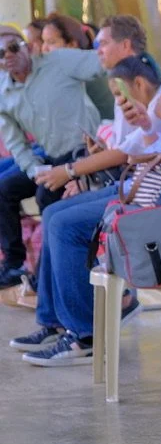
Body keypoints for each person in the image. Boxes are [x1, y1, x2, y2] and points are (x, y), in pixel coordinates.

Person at [9, 31, 161, 366]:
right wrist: (150, 127)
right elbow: (145, 148)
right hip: (142, 184)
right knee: (54, 212)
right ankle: (56, 322)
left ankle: (84, 336)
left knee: (65, 224)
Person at [0, 24, 103, 287]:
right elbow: (17, 144)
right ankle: (14, 264)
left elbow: (105, 63)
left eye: (13, 47)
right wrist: (36, 171)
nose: (8, 56)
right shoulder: (3, 92)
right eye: (0, 54)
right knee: (4, 188)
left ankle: (49, 275)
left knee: (47, 199)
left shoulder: (58, 61)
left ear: (27, 46)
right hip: (49, 157)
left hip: (86, 154)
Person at [33, 16, 161, 199]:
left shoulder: (143, 87)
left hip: (144, 187)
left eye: (103, 44)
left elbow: (126, 153)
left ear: (125, 46)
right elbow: (127, 149)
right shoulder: (121, 82)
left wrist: (70, 171)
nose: (97, 52)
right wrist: (100, 151)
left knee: (57, 215)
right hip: (128, 178)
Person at [40, 13, 114, 121]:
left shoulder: (83, 70)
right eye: (43, 41)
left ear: (71, 45)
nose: (44, 48)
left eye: (51, 42)